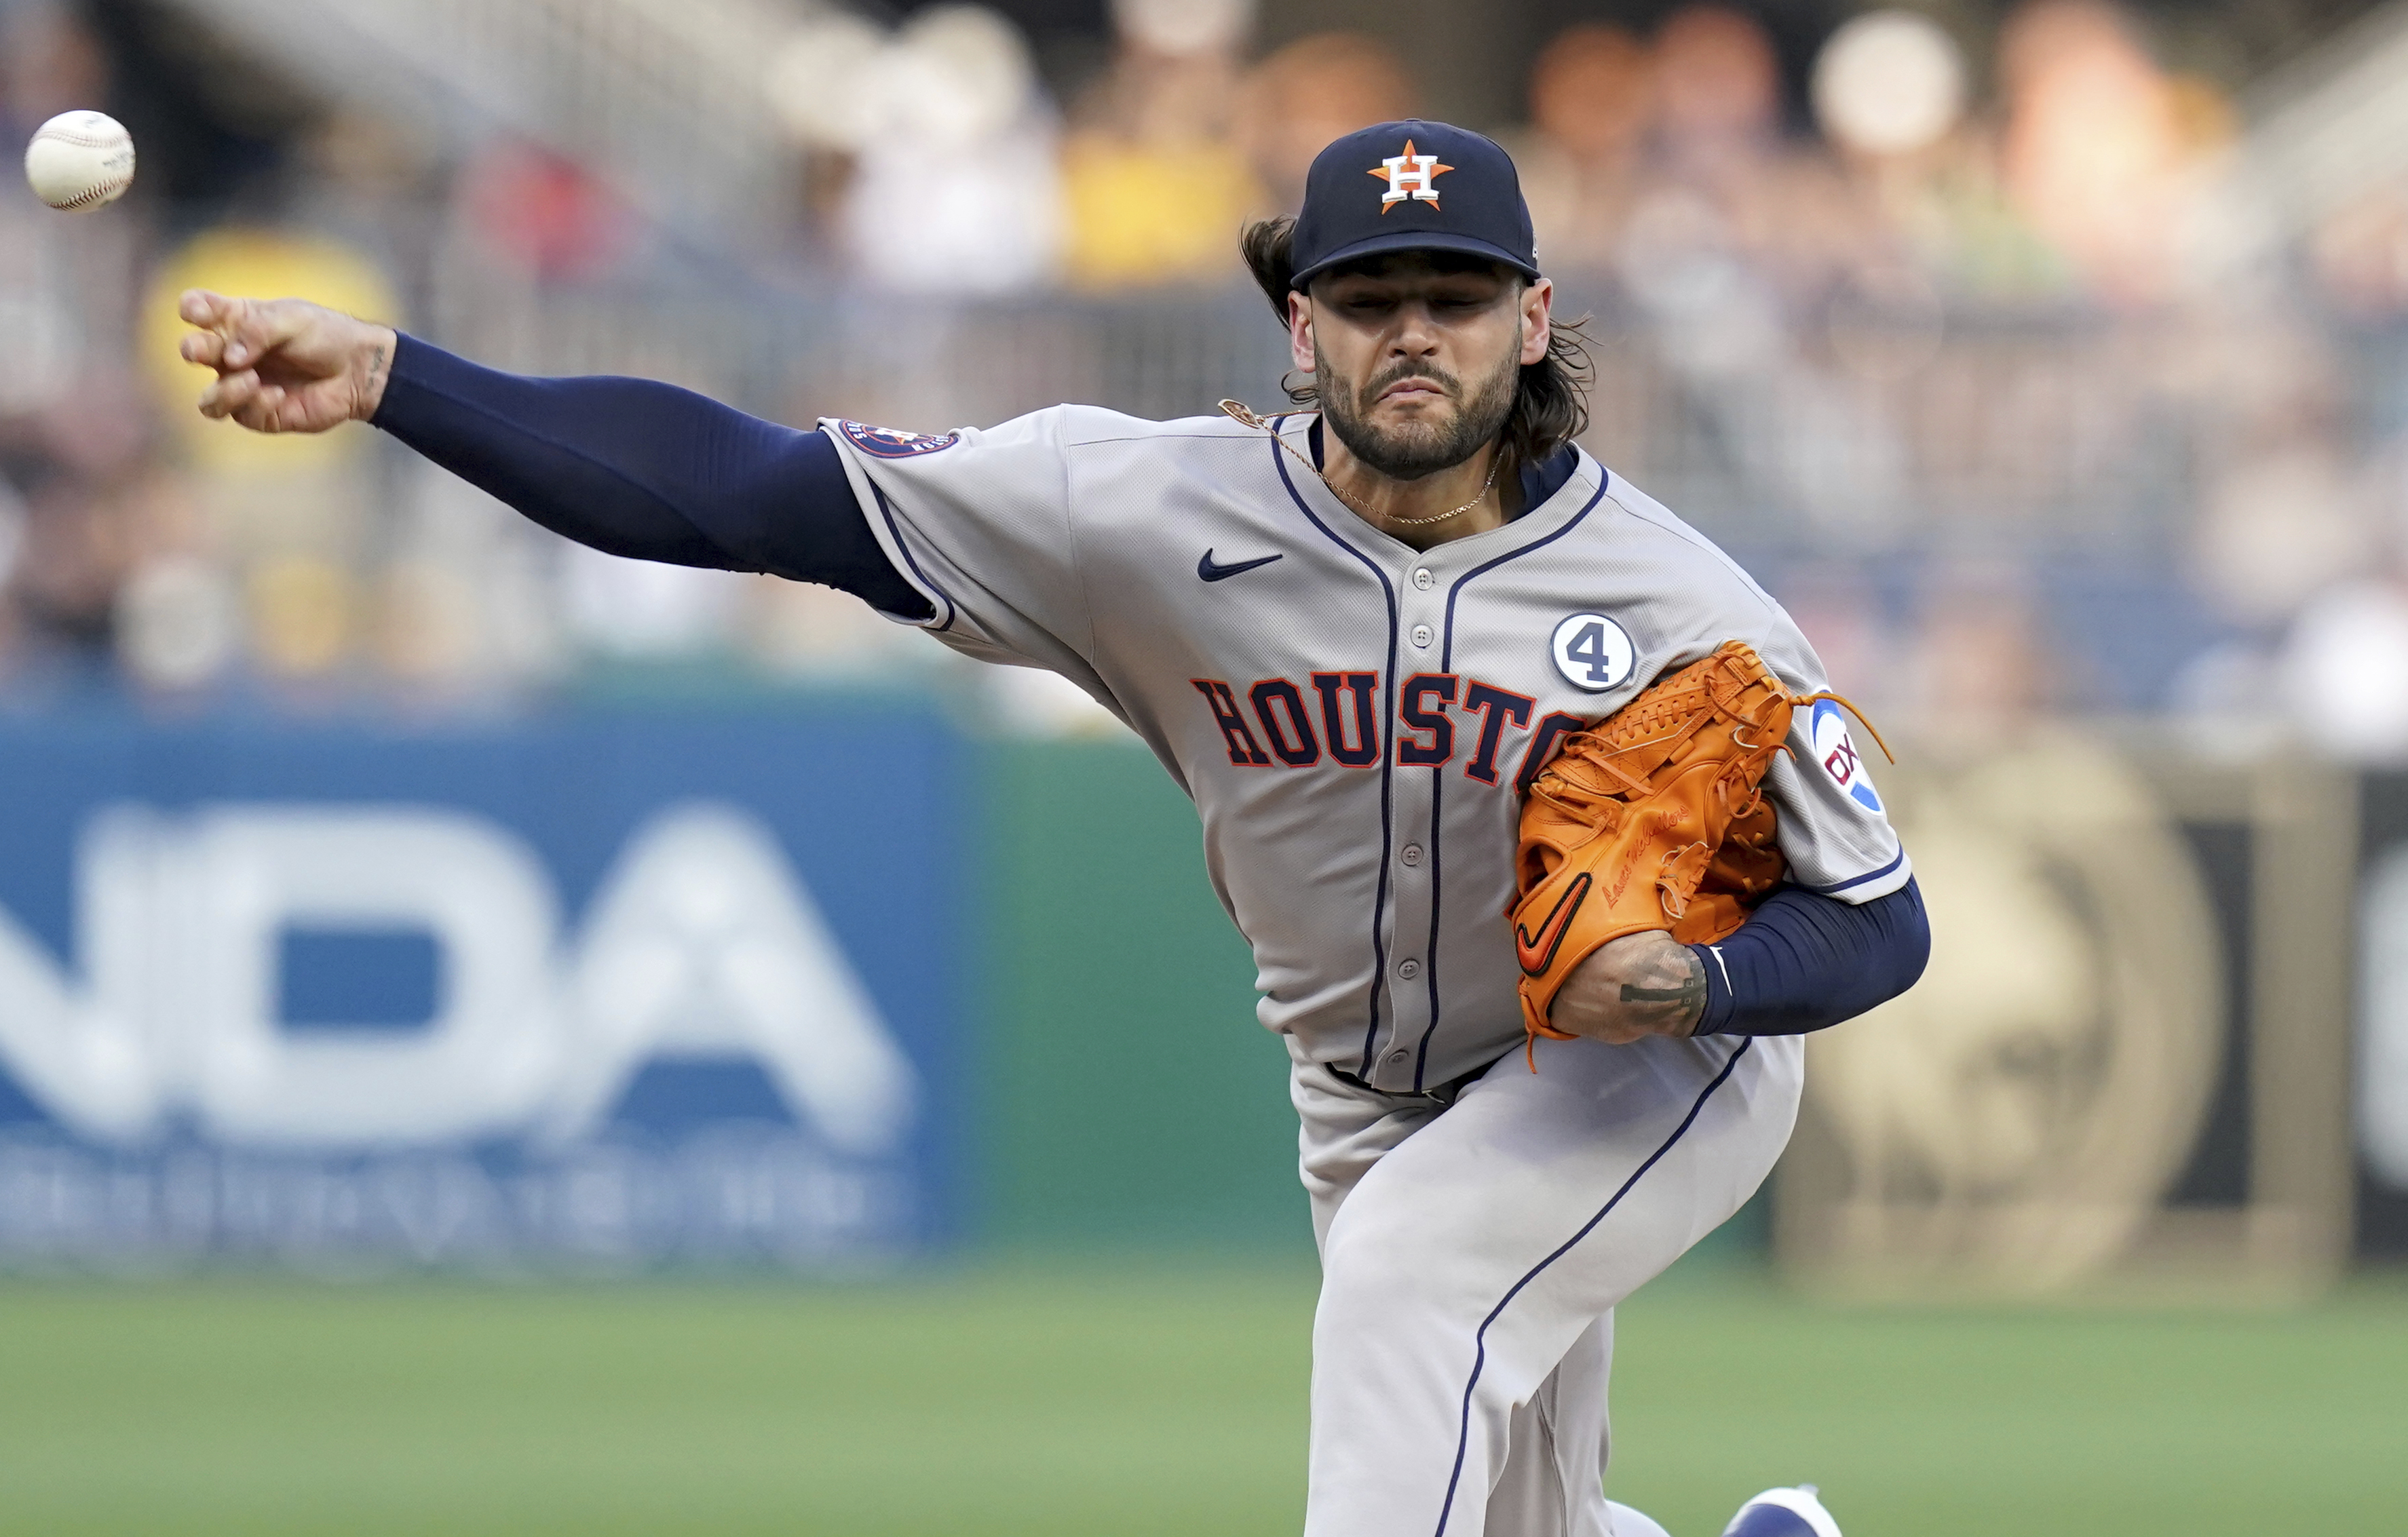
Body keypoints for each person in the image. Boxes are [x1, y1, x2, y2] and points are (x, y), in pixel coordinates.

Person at [177, 119, 1927, 1537]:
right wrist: (405, 375)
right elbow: (744, 489)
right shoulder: (1138, 514)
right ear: (1298, 327)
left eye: (1454, 297)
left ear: (1532, 321)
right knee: (1493, 1482)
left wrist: (1696, 980)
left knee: (1413, 1286)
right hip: (1367, 1090)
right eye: (1368, 294)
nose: (1413, 333)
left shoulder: (1694, 611)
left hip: (1639, 1066)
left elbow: (1881, 923)